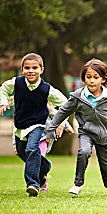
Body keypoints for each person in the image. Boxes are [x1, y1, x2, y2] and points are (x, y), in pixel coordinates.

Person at [47, 58, 107, 196]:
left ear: (103, 79)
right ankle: (77, 184)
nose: (92, 81)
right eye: (88, 77)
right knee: (84, 152)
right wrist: (52, 128)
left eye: (96, 77)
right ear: (84, 79)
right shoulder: (78, 96)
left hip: (104, 134)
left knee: (105, 163)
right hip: (86, 132)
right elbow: (63, 111)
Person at [0, 53, 67, 197]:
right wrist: (4, 102)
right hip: (19, 125)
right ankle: (45, 166)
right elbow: (4, 89)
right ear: (22, 70)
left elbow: (64, 104)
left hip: (37, 124)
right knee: (23, 152)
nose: (31, 71)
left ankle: (32, 184)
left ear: (41, 69)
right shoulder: (16, 83)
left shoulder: (46, 89)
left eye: (35, 68)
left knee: (32, 149)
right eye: (27, 68)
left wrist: (62, 121)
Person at [11, 103, 75, 192]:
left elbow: (58, 115)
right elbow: (15, 127)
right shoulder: (22, 107)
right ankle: (35, 182)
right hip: (27, 137)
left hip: (43, 137)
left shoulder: (44, 104)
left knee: (36, 158)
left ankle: (41, 184)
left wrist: (67, 127)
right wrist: (15, 144)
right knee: (31, 161)